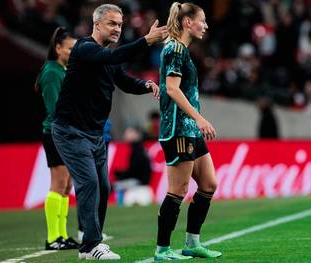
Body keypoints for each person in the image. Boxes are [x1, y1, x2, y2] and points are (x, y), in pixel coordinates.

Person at [51, 4, 167, 260]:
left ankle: (89, 245)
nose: (117, 28)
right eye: (112, 23)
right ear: (97, 24)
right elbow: (113, 58)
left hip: (94, 135)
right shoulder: (84, 49)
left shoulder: (106, 56)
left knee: (103, 187)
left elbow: (124, 81)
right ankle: (92, 243)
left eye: (120, 24)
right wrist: (147, 40)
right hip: (70, 131)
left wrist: (146, 85)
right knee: (89, 183)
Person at [154, 2, 222, 260]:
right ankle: (162, 249)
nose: (205, 25)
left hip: (190, 129)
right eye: (202, 20)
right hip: (178, 129)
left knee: (208, 183)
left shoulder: (181, 50)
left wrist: (197, 122)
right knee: (178, 190)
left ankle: (192, 242)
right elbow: (172, 89)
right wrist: (200, 118)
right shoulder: (174, 49)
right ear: (187, 22)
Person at [35, 27, 79, 250]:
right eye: (71, 48)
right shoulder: (52, 71)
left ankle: (61, 235)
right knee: (59, 183)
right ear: (58, 48)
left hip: (64, 132)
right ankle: (53, 238)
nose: (74, 52)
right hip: (56, 133)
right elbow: (54, 109)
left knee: (67, 184)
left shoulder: (62, 69)